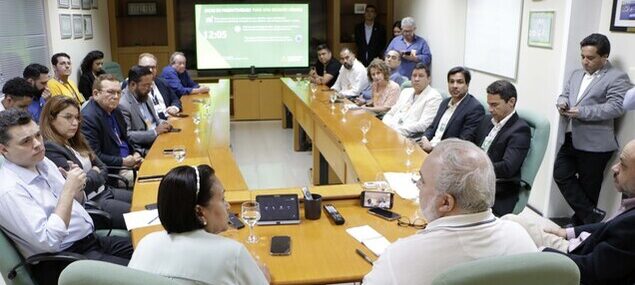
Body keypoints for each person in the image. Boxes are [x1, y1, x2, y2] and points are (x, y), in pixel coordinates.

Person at [363, 139, 537, 285]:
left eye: (421, 181)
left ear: (446, 202)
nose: (418, 186)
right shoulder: (520, 239)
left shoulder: (400, 257)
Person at [0, 109, 133, 282]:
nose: (38, 144)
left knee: (149, 252)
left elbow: (77, 203)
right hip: (64, 262)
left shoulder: (43, 162)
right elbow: (49, 241)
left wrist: (76, 188)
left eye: (38, 135)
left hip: (89, 241)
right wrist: (68, 190)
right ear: (3, 149)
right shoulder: (9, 191)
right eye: (26, 141)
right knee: (144, 273)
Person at [503, 139, 635, 285]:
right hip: (579, 245)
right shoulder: (629, 211)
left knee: (509, 240)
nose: (614, 168)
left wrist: (540, 254)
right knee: (511, 221)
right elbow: (609, 228)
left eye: (623, 165)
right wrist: (568, 232)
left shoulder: (631, 225)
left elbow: (590, 271)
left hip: (574, 261)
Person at [129, 165, 270, 284]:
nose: (227, 206)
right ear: (200, 212)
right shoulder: (232, 253)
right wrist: (262, 276)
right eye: (222, 198)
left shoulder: (145, 244)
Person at [554, 33, 631, 225]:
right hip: (571, 136)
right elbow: (564, 94)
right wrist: (562, 103)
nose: (584, 61)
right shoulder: (576, 74)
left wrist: (582, 112)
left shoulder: (617, 77)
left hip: (596, 144)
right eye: (582, 56)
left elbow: (616, 107)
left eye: (590, 58)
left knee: (589, 188)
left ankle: (581, 228)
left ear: (604, 57)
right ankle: (591, 217)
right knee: (561, 173)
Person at [40, 96, 132, 229]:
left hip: (105, 191)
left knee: (144, 201)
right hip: (92, 203)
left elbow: (102, 167)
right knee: (137, 214)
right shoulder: (50, 148)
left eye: (77, 117)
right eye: (68, 117)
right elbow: (78, 186)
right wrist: (95, 172)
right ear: (51, 119)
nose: (75, 123)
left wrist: (92, 174)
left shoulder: (76, 139)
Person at [475, 80, 530, 216]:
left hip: (498, 189)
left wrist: (476, 167)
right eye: (489, 104)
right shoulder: (486, 120)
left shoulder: (520, 130)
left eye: (495, 105)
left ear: (511, 102)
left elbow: (507, 167)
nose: (490, 109)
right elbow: (471, 145)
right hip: (476, 179)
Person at [81, 74, 143, 184]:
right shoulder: (88, 118)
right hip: (116, 171)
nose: (116, 96)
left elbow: (126, 138)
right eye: (110, 92)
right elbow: (95, 156)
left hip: (131, 161)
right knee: (151, 180)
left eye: (119, 92)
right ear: (96, 94)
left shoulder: (116, 110)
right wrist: (123, 162)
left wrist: (136, 152)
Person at [418, 67, 485, 152]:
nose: (455, 86)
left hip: (445, 155)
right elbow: (432, 127)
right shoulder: (445, 102)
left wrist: (432, 149)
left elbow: (463, 143)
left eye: (459, 82)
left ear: (467, 85)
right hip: (428, 148)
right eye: (451, 82)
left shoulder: (474, 108)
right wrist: (425, 138)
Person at [119, 65, 173, 155]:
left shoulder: (145, 96)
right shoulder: (123, 104)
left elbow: (154, 121)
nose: (149, 89)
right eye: (146, 85)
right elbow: (127, 135)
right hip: (145, 148)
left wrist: (164, 123)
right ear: (133, 85)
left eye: (150, 85)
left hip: (159, 139)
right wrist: (155, 132)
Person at [383, 63, 442, 137]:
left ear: (429, 79)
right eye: (414, 75)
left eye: (421, 76)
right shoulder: (405, 92)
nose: (416, 79)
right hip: (390, 132)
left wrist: (398, 130)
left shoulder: (434, 96)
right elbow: (390, 113)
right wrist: (388, 126)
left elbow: (424, 124)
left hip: (409, 137)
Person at [137, 53, 182, 119]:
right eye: (146, 67)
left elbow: (176, 100)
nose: (150, 70)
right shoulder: (135, 87)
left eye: (153, 67)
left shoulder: (162, 82)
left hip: (169, 120)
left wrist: (174, 108)